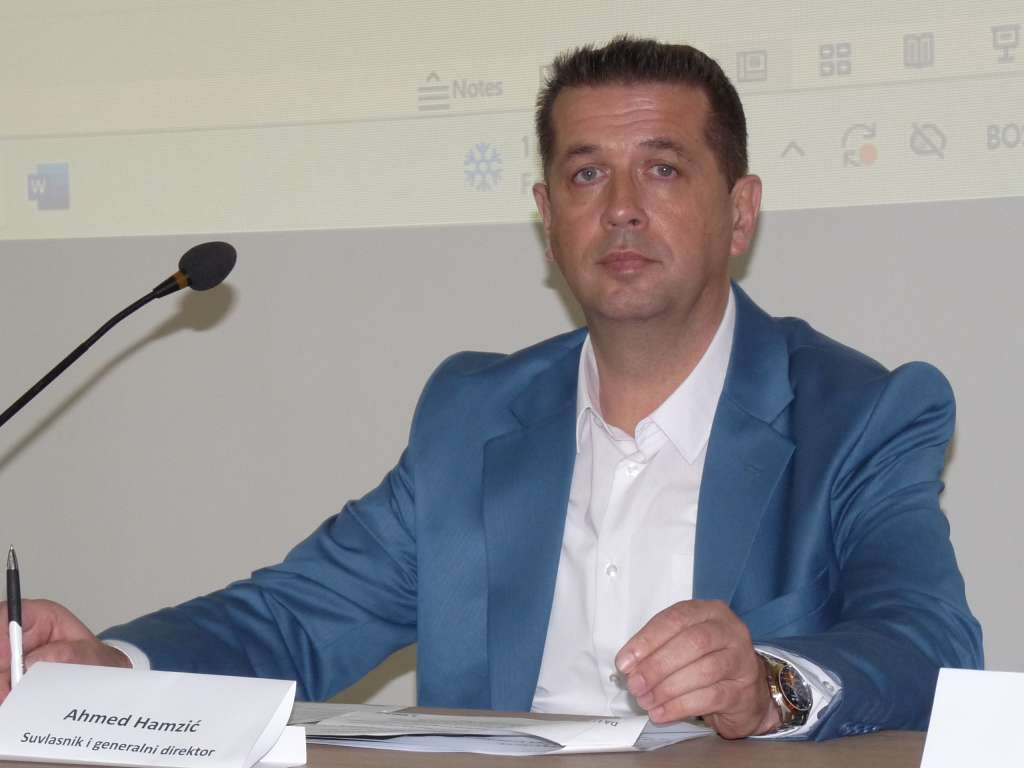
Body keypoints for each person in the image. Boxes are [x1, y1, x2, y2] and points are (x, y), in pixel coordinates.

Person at [0, 37, 981, 740]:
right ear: (547, 217)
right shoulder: (474, 417)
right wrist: (111, 669)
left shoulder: (860, 414)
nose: (622, 209)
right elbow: (296, 619)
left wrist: (770, 684)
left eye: (663, 170)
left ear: (739, 212)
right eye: (587, 175)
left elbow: (931, 644)